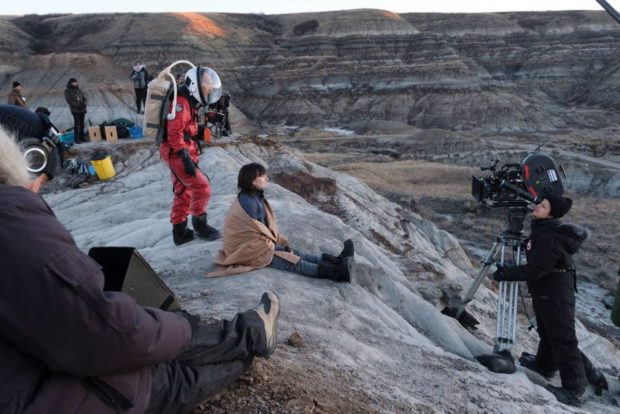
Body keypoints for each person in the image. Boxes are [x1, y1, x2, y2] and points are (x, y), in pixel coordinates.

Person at [0, 126, 281, 413]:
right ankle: (251, 338)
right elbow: (110, 335)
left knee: (152, 340)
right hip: (51, 397)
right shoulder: (12, 225)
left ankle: (249, 334)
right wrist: (179, 325)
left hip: (27, 381)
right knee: (167, 372)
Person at [493, 195, 588, 406]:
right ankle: (545, 367)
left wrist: (506, 274)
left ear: (551, 213)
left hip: (556, 292)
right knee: (547, 332)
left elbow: (536, 269)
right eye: (539, 203)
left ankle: (575, 388)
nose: (536, 207)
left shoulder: (548, 237)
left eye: (543, 206)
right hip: (549, 291)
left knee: (563, 339)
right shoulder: (544, 230)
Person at [209, 162, 354, 282]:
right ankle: (338, 273)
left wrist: (277, 245)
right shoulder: (248, 202)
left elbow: (260, 230)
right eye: (262, 176)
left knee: (294, 252)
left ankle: (336, 261)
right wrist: (276, 248)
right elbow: (253, 234)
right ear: (251, 180)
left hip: (254, 245)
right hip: (246, 251)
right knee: (292, 261)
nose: (266, 178)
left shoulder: (253, 197)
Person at [160, 66, 222, 245]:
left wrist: (199, 130)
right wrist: (184, 157)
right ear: (195, 85)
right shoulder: (181, 102)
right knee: (202, 188)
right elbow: (174, 133)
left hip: (183, 150)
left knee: (183, 192)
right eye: (206, 85)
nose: (209, 89)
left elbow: (185, 129)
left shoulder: (188, 100)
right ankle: (200, 226)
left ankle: (179, 233)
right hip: (177, 153)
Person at [64, 77, 88, 144]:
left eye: (76, 82)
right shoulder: (67, 91)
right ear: (71, 83)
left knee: (82, 124)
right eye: (74, 82)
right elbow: (69, 101)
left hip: (82, 109)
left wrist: (84, 104)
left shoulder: (79, 90)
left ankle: (82, 137)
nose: (75, 83)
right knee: (77, 124)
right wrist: (78, 106)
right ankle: (76, 139)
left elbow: (84, 98)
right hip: (75, 110)